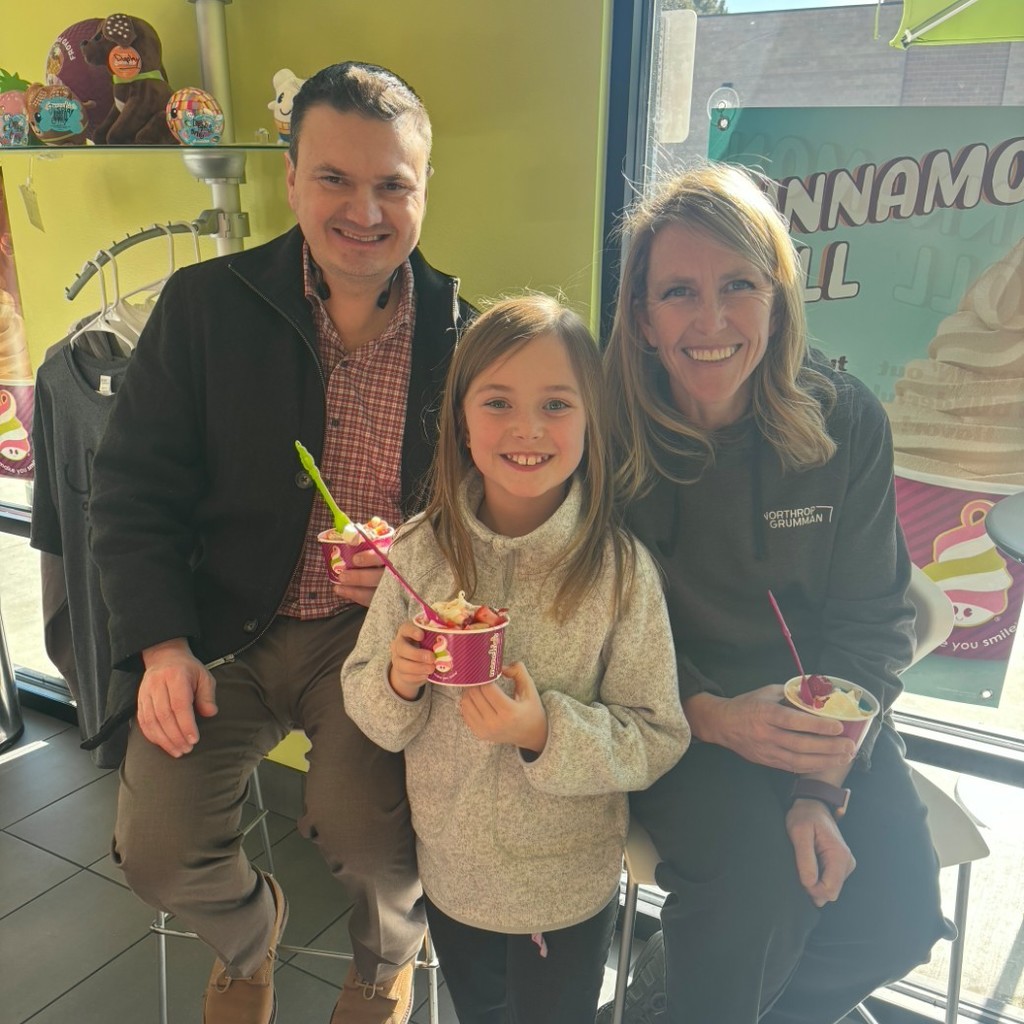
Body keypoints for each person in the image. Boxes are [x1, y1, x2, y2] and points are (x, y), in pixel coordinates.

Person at [87, 62, 475, 1024]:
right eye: (335, 178)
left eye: (394, 184)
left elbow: (493, 514)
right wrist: (161, 646)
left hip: (377, 644)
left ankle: (386, 958)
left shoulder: (467, 335)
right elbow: (131, 492)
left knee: (370, 840)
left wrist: (413, 550)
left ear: (425, 189)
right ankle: (250, 937)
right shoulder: (203, 308)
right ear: (292, 177)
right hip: (222, 629)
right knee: (159, 851)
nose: (365, 210)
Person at [598, 163, 948, 1024]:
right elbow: (581, 631)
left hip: (820, 722)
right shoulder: (602, 434)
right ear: (642, 318)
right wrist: (711, 715)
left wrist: (817, 791)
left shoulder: (845, 422)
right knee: (756, 900)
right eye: (678, 291)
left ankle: (663, 1003)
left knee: (897, 918)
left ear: (780, 295)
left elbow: (872, 622)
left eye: (739, 286)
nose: (711, 321)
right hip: (673, 719)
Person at [341, 295, 690, 1024]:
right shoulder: (417, 555)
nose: (527, 428)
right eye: (497, 402)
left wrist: (544, 732)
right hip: (453, 874)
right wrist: (399, 683)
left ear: (592, 422)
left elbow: (658, 734)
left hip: (564, 890)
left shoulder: (620, 573)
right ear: (462, 423)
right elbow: (368, 704)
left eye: (556, 404)